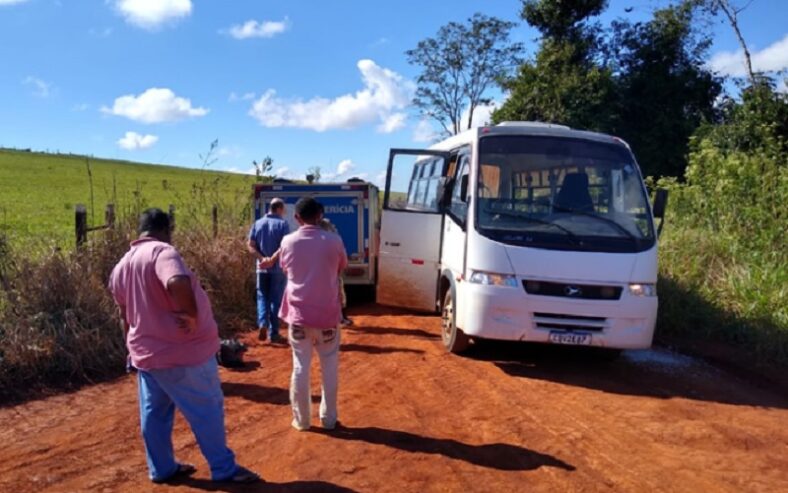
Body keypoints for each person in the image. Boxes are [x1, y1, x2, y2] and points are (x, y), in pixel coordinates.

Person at [109, 208, 259, 485]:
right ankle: (224, 470)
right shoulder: (162, 252)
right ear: (166, 229)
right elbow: (176, 280)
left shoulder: (122, 265)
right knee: (207, 410)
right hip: (182, 354)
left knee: (155, 415)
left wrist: (131, 347)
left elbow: (124, 314)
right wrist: (191, 314)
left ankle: (162, 469)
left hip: (147, 356)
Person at [279, 197, 348, 431]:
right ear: (320, 215)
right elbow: (341, 267)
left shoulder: (288, 242)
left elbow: (285, 268)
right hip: (327, 316)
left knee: (300, 367)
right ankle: (329, 420)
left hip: (299, 316)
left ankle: (302, 421)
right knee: (329, 366)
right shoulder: (334, 241)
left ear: (297, 218)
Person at [247, 198, 290, 343]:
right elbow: (284, 246)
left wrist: (261, 259)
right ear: (279, 208)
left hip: (261, 269)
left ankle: (262, 323)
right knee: (275, 299)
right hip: (277, 268)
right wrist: (272, 259)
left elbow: (250, 245)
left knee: (262, 297)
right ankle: (274, 333)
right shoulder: (283, 224)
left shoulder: (257, 224)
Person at [317, 211, 352, 326]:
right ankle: (341, 318)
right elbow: (342, 260)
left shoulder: (314, 240)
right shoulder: (333, 240)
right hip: (333, 273)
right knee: (339, 295)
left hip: (319, 275)